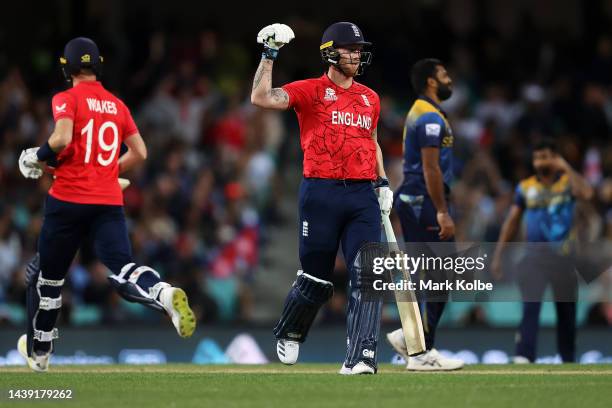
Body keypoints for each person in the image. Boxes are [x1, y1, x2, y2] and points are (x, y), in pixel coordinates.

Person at [16, 37, 196, 372]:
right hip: (108, 200)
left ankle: (40, 353)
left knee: (49, 279)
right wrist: (107, 170)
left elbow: (62, 139)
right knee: (124, 266)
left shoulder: (65, 98)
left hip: (67, 199)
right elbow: (140, 153)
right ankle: (161, 292)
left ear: (67, 67)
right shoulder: (117, 105)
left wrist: (35, 156)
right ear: (97, 66)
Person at [251, 22, 393, 374]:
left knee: (368, 274)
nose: (357, 56)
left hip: (362, 194)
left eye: (360, 50)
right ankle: (291, 328)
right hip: (321, 192)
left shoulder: (370, 98)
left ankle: (361, 356)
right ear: (331, 52)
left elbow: (371, 139)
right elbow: (261, 98)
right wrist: (269, 55)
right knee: (316, 279)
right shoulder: (310, 90)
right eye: (351, 49)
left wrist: (384, 182)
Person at [385, 59, 464, 371]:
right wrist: (442, 210)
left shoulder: (425, 111)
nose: (449, 79)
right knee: (438, 273)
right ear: (431, 81)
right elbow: (430, 167)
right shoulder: (429, 116)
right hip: (424, 201)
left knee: (437, 275)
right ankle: (418, 348)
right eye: (444, 74)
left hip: (417, 200)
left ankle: (416, 343)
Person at [491, 139, 593, 363]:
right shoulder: (526, 187)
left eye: (545, 156)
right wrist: (498, 254)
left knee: (566, 312)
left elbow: (586, 193)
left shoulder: (568, 183)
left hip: (563, 259)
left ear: (555, 158)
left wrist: (564, 165)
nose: (540, 162)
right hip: (534, 258)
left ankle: (568, 358)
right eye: (537, 157)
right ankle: (524, 355)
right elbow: (512, 221)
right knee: (530, 306)